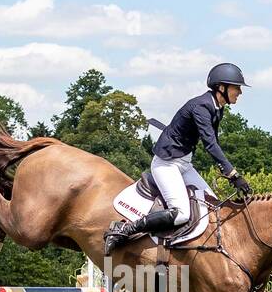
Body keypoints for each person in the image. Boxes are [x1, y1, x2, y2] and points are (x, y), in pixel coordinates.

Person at [104, 63, 253, 254]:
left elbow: (214, 142)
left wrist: (228, 171)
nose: (239, 92)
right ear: (221, 88)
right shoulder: (202, 106)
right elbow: (210, 145)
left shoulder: (217, 108)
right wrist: (233, 174)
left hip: (183, 164)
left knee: (213, 204)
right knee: (182, 213)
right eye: (236, 87)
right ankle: (124, 229)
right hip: (166, 165)